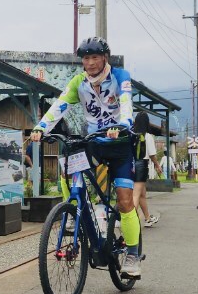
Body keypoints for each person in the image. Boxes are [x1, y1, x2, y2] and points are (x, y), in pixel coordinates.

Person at [29, 37, 144, 278]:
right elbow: (60, 105)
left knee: (124, 201)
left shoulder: (121, 77)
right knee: (69, 167)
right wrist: (41, 127)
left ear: (105, 58)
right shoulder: (78, 82)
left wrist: (124, 124)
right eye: (86, 58)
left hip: (120, 145)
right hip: (95, 143)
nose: (90, 63)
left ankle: (132, 254)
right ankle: (73, 211)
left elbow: (126, 102)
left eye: (95, 57)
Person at [132, 123, 162, 228]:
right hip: (141, 165)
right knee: (136, 195)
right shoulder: (147, 135)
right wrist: (157, 165)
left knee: (142, 194)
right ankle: (131, 223)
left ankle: (147, 218)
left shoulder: (131, 134)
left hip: (131, 165)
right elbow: (152, 154)